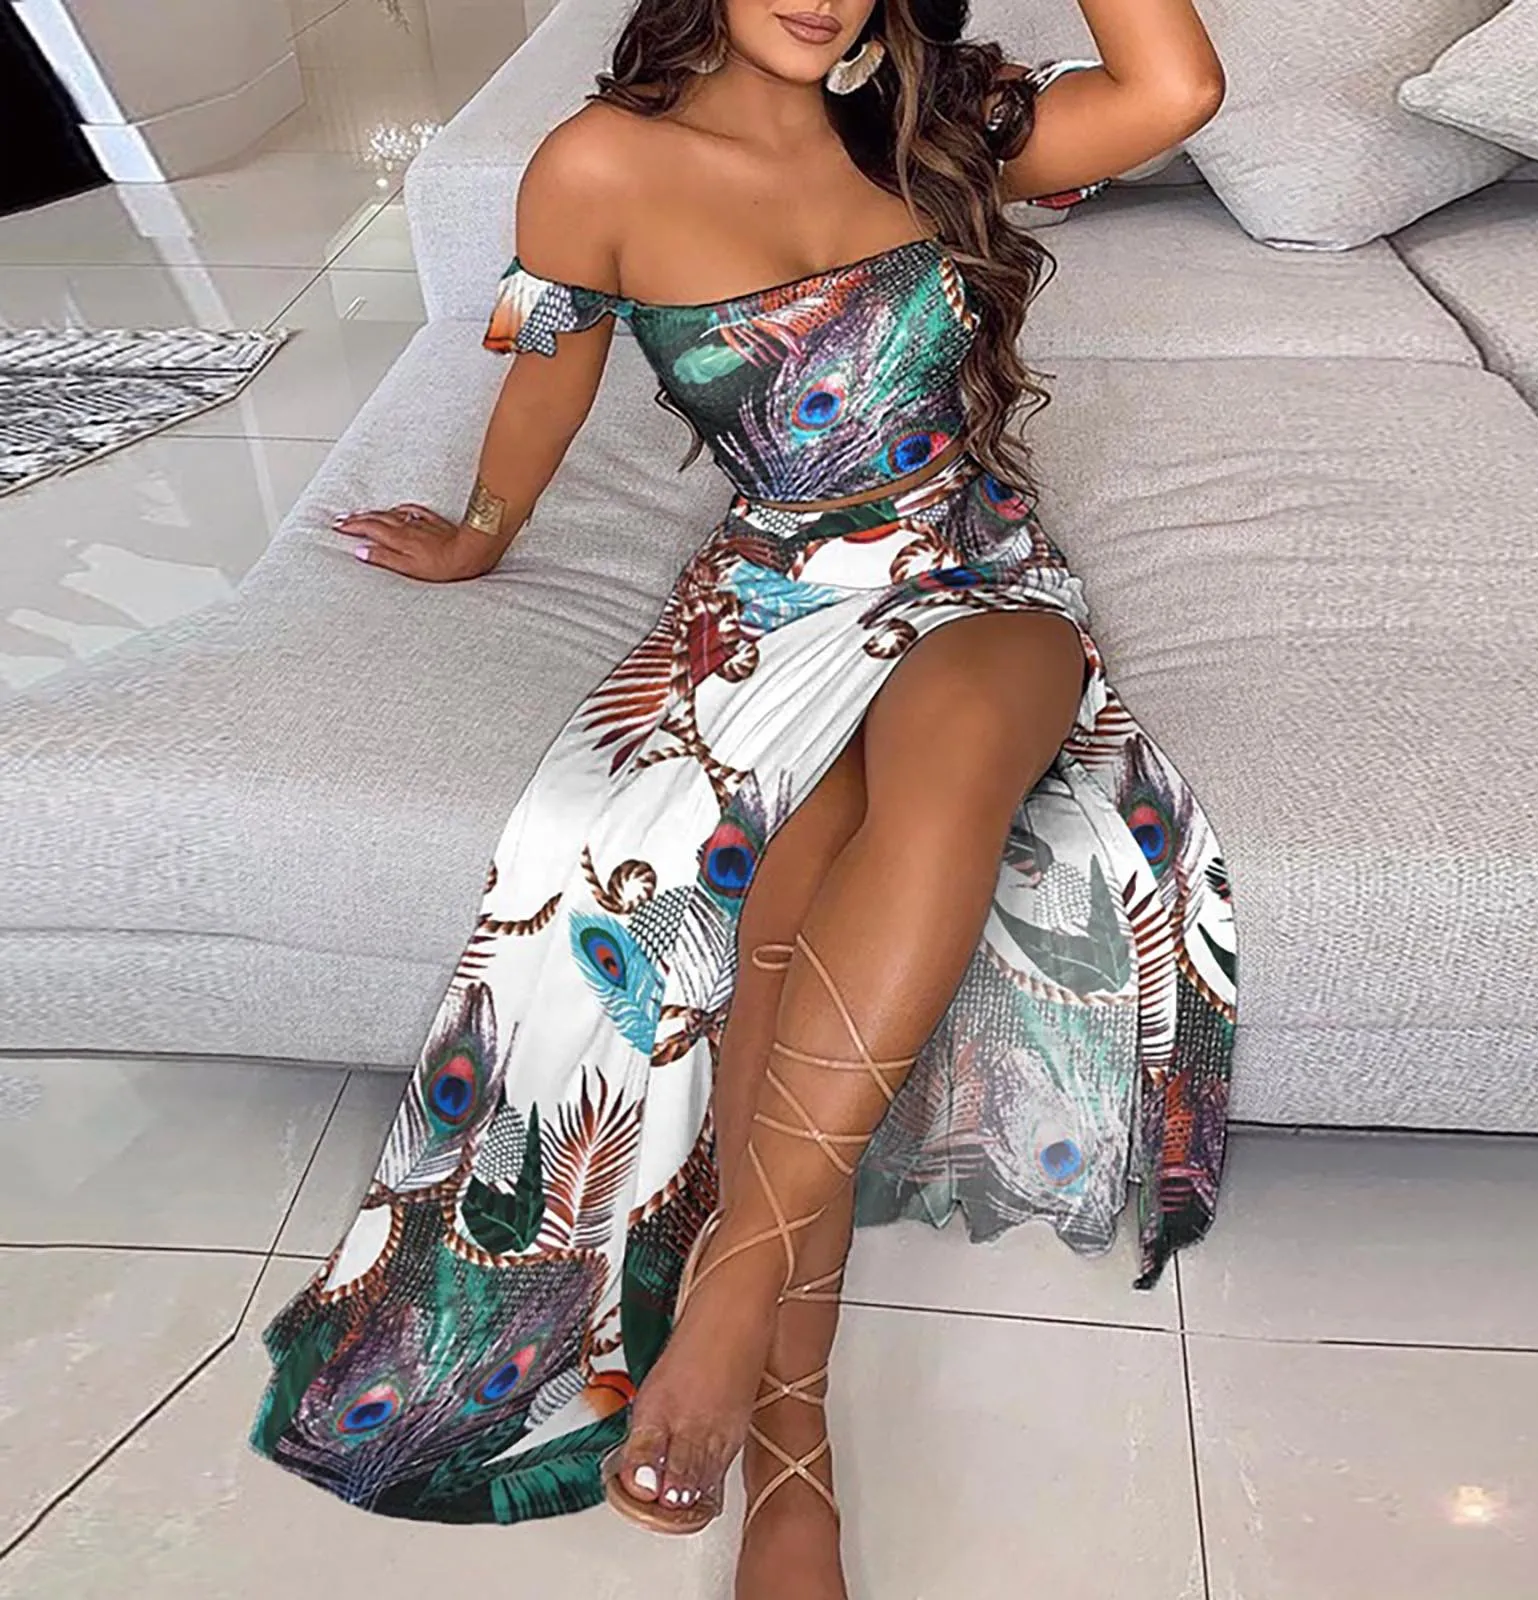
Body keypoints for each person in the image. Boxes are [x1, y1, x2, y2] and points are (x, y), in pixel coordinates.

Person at [251, 3, 1234, 1595]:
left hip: (982, 572)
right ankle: (796, 1470)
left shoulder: (933, 125)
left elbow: (1176, 84)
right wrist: (484, 533)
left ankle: (729, 1295)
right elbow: (546, 376)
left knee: (948, 786)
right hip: (777, 602)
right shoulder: (597, 164)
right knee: (775, 936)